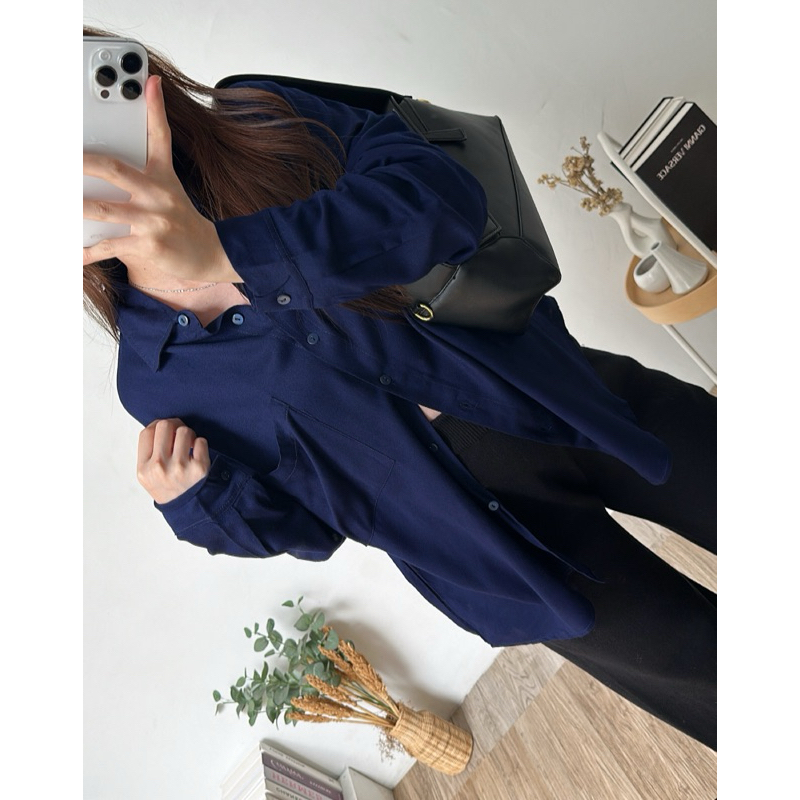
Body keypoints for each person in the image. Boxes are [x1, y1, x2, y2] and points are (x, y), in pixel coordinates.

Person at [83, 29, 716, 751]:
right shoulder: (155, 375)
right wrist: (198, 503)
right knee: (708, 673)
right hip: (494, 550)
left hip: (561, 397)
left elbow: (440, 197)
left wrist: (228, 252)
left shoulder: (260, 123)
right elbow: (313, 527)